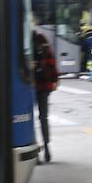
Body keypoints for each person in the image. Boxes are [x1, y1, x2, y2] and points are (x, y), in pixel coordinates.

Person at [33, 29, 59, 163]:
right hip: (44, 86)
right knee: (43, 118)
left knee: (29, 120)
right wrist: (54, 80)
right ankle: (47, 148)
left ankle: (34, 153)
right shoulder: (42, 40)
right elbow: (51, 62)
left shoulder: (24, 42)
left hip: (29, 87)